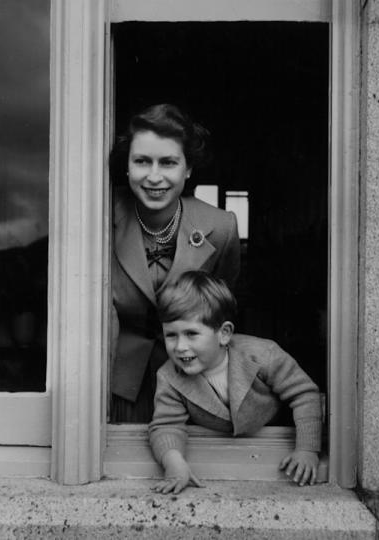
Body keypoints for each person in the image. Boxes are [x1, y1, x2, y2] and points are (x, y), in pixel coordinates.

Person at [110, 104, 241, 423]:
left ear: (188, 169)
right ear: (127, 166)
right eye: (142, 161)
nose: (154, 176)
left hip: (193, 384)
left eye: (168, 163)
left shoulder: (222, 227)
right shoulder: (101, 215)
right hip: (117, 384)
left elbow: (221, 307)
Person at [148, 271, 322, 494]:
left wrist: (307, 450)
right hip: (221, 453)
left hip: (273, 445)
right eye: (171, 335)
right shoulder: (169, 376)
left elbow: (304, 394)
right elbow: (166, 425)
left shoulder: (263, 354)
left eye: (191, 333)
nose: (180, 346)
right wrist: (174, 463)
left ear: (224, 334)